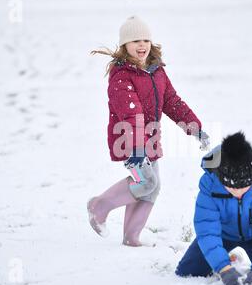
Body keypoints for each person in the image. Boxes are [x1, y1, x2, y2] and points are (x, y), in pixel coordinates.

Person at [87, 16, 209, 246]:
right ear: (124, 45)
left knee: (152, 187)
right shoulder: (122, 76)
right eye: (135, 40)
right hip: (129, 140)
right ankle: (98, 206)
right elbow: (132, 115)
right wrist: (137, 148)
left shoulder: (157, 71)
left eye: (145, 39)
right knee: (147, 183)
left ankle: (131, 237)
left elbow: (172, 102)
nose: (141, 45)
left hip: (149, 139)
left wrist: (195, 127)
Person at [175, 132, 252, 285]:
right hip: (222, 235)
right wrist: (224, 268)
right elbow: (207, 229)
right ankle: (226, 256)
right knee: (187, 271)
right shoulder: (209, 184)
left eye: (244, 187)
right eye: (231, 187)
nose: (238, 192)